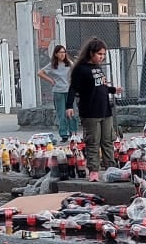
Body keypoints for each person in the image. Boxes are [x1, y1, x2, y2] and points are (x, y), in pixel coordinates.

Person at [65, 38, 121, 182]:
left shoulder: (98, 68)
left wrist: (113, 90)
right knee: (93, 142)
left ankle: (111, 168)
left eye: (103, 54)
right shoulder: (81, 69)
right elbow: (73, 88)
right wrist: (69, 106)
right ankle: (94, 170)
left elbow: (101, 87)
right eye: (99, 54)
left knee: (107, 140)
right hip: (90, 112)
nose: (102, 57)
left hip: (105, 110)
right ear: (91, 53)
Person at [38, 45, 78, 142]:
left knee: (72, 113)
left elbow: (76, 73)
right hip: (58, 92)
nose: (62, 54)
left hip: (69, 91)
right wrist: (50, 80)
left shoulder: (69, 63)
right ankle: (64, 134)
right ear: (56, 54)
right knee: (61, 114)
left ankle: (73, 133)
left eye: (64, 52)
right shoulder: (52, 65)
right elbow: (40, 73)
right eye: (60, 52)